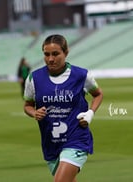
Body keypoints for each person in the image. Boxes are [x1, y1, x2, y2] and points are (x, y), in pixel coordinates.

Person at [23, 34, 103, 181]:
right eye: (46, 54)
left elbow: (98, 94)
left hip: (76, 139)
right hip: (51, 142)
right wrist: (34, 112)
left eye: (55, 54)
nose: (50, 59)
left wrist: (90, 113)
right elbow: (27, 105)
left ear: (66, 53)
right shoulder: (34, 78)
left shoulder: (81, 75)